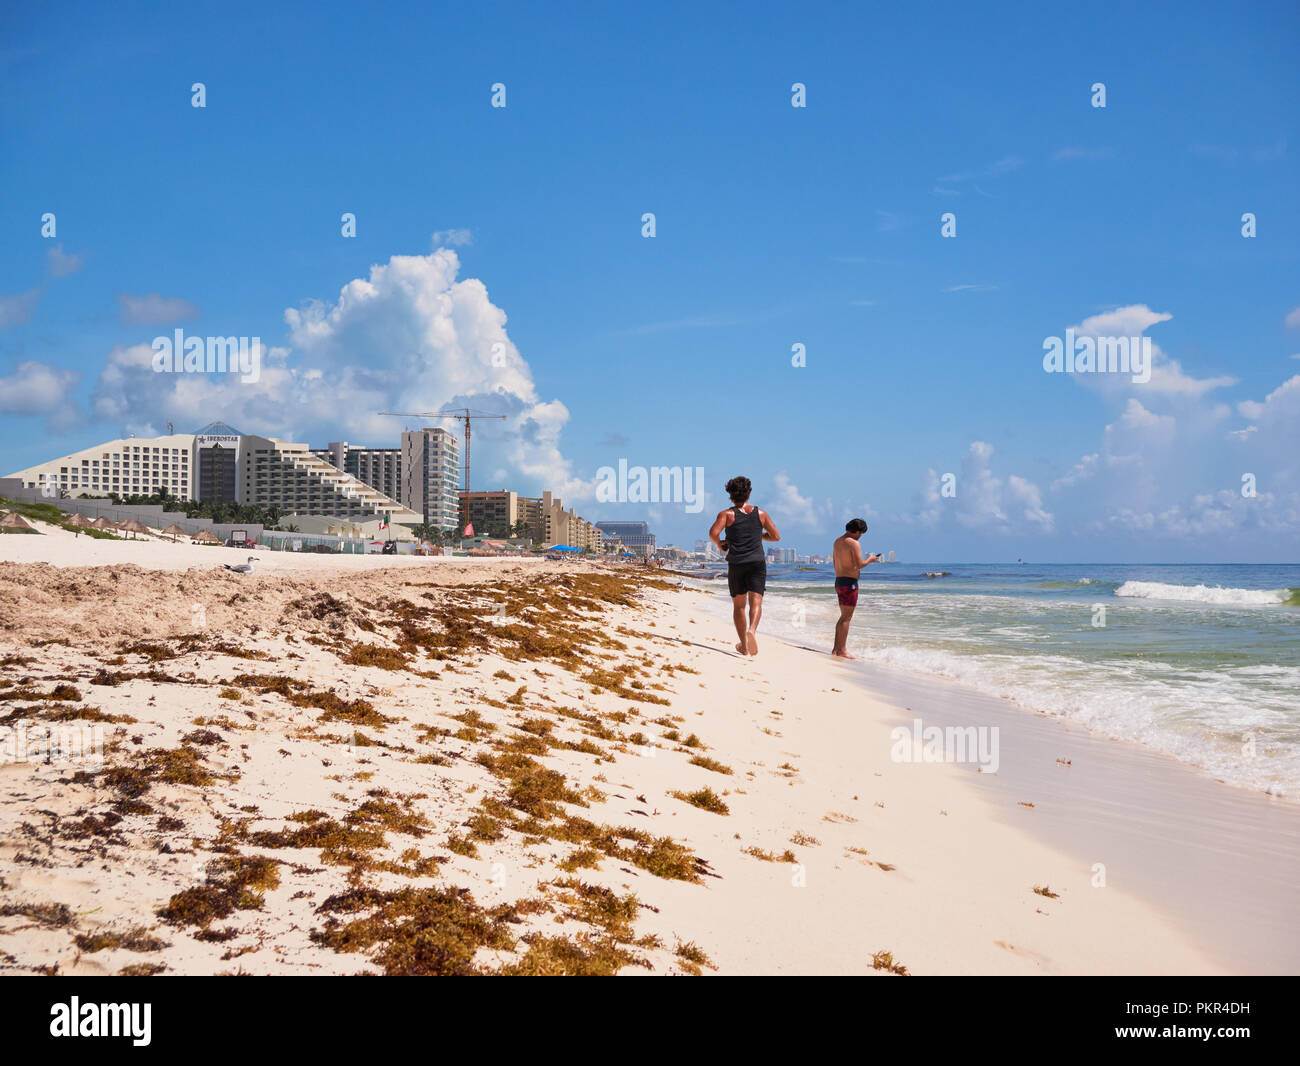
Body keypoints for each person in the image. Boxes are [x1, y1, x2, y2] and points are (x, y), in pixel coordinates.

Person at [708, 476, 780, 656]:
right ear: (749, 493)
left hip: (737, 563)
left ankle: (744, 646)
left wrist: (719, 544)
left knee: (739, 606)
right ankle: (752, 631)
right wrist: (759, 535)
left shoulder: (726, 515)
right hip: (757, 563)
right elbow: (776, 536)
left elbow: (713, 533)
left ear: (730, 495)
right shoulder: (761, 514)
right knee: (756, 601)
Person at [831, 518, 881, 658]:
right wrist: (870, 560)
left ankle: (836, 649)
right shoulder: (854, 543)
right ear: (858, 531)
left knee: (843, 617)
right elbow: (859, 564)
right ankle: (842, 650)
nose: (860, 536)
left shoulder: (837, 541)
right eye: (861, 533)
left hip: (839, 580)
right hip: (849, 582)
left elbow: (835, 562)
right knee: (846, 618)